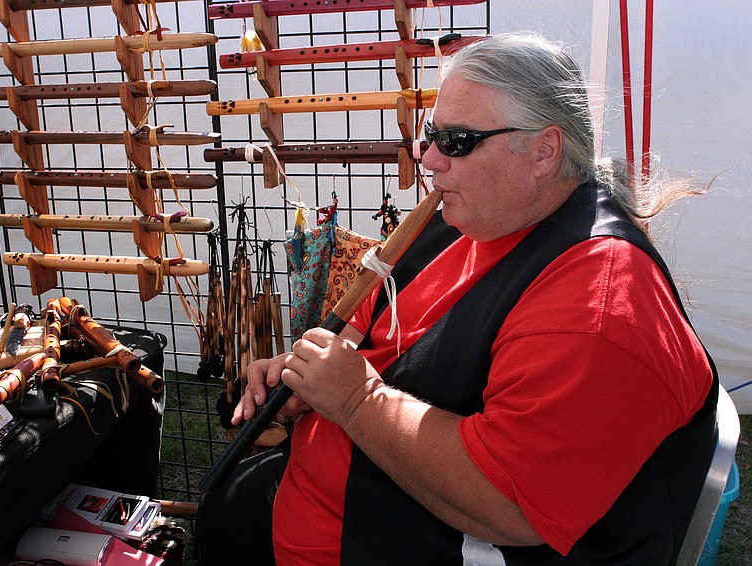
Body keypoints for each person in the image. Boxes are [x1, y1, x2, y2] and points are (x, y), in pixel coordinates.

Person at [196, 32, 717, 565]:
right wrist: (314, 379)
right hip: (340, 511)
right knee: (229, 509)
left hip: (425, 541)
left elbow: (508, 504)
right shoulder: (468, 220)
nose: (428, 158)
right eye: (431, 135)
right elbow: (373, 346)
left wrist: (354, 401)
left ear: (544, 150)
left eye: (458, 141)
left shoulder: (599, 303)